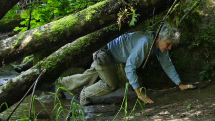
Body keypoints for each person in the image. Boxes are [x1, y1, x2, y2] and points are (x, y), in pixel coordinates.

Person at [57, 24, 194, 105]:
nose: (170, 48)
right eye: (168, 44)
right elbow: (130, 67)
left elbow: (167, 64)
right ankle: (85, 95)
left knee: (89, 76)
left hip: (105, 52)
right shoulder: (146, 42)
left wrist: (179, 84)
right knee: (111, 84)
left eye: (172, 45)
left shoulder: (157, 45)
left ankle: (60, 84)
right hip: (104, 54)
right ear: (160, 37)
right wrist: (139, 92)